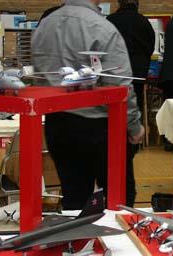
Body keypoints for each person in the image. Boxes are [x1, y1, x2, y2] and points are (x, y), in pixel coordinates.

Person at [32, 0, 144, 209]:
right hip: (100, 128)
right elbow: (120, 86)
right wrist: (134, 127)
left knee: (74, 198)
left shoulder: (45, 24)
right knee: (119, 200)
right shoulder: (102, 28)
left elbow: (38, 76)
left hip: (58, 124)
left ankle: (76, 231)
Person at [107, 0, 156, 113]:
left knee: (114, 106)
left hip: (114, 72)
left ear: (119, 3)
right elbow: (151, 45)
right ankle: (136, 123)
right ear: (137, 4)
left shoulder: (110, 20)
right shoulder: (143, 21)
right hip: (137, 73)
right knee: (136, 105)